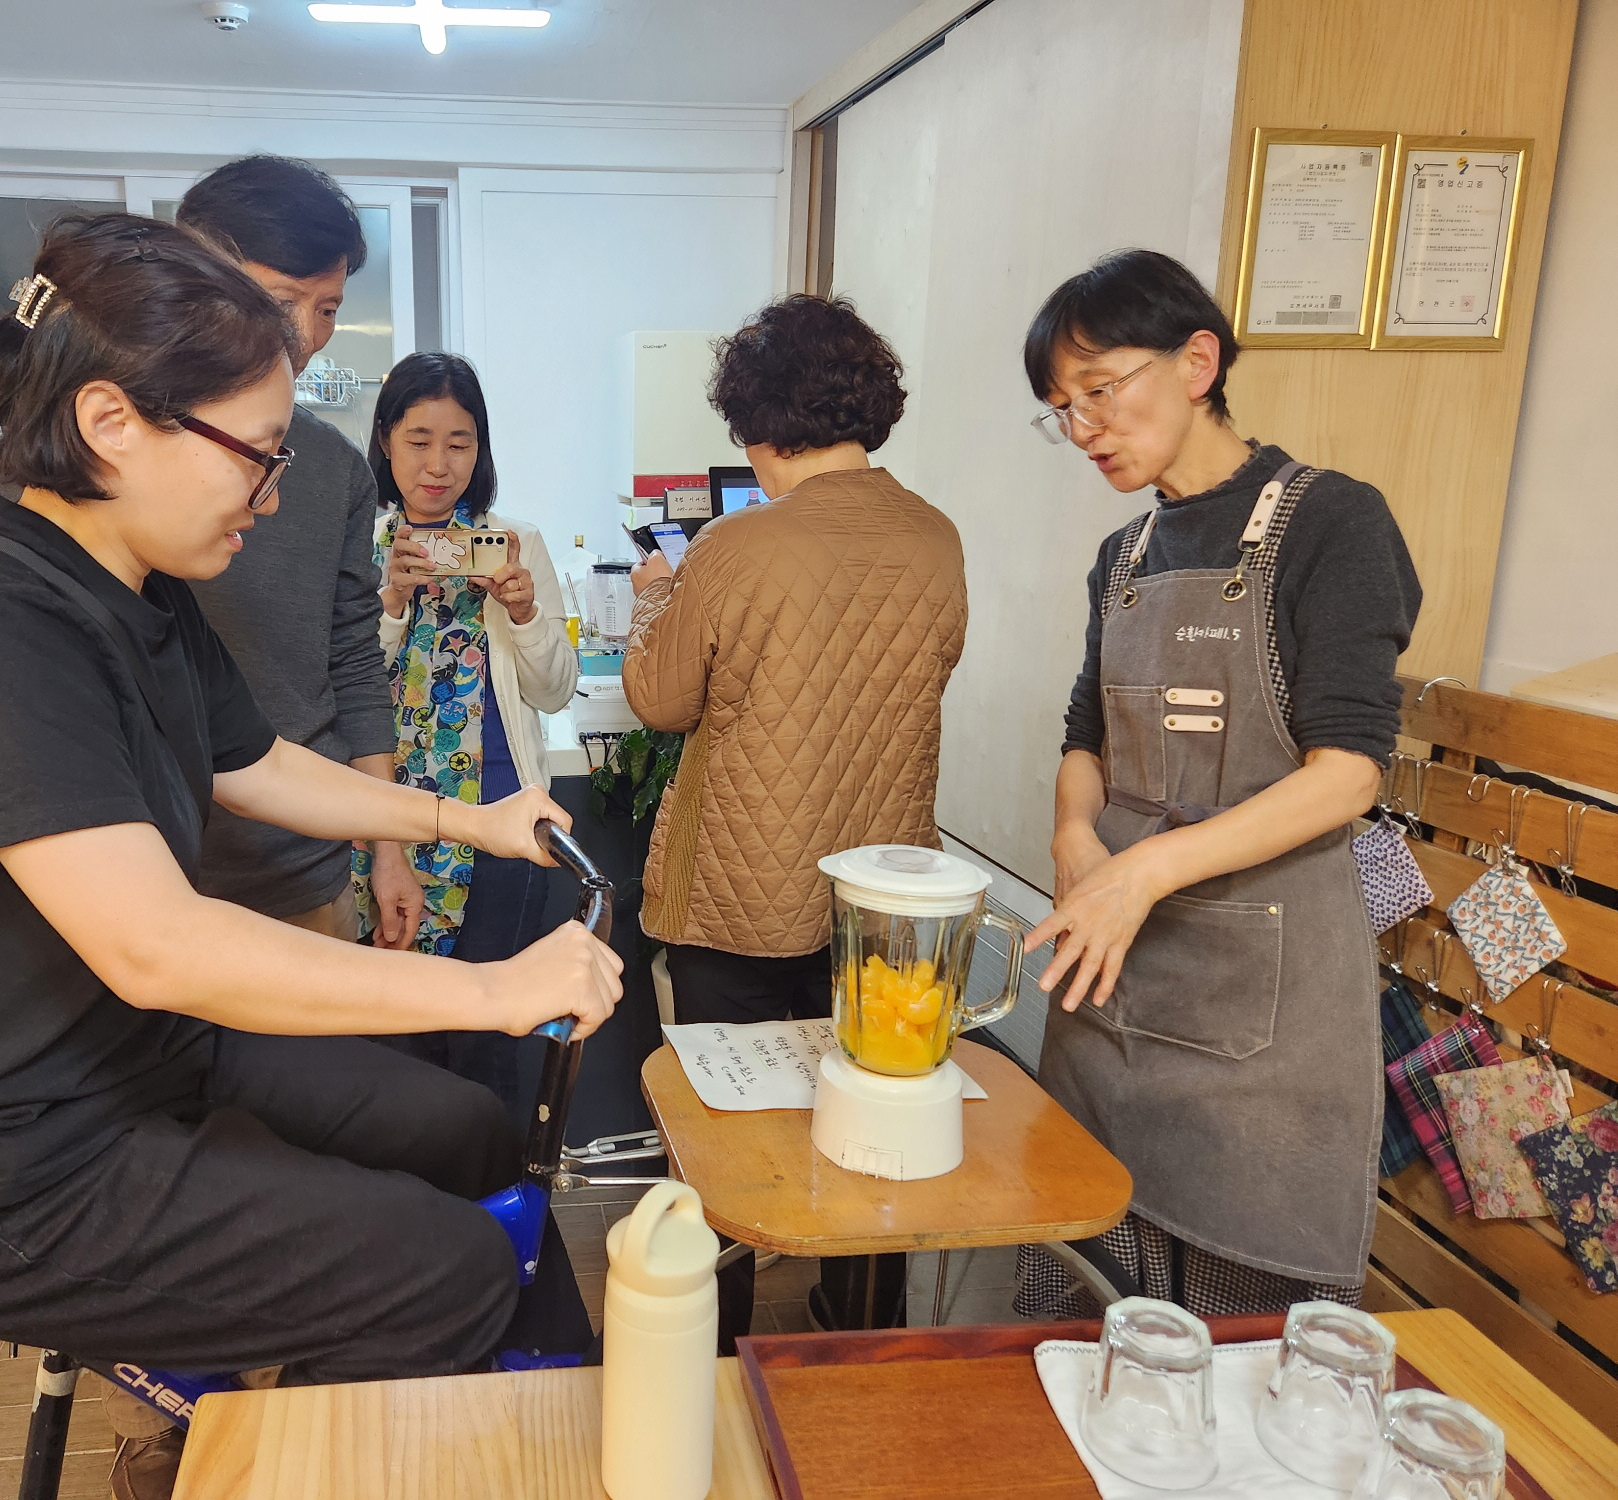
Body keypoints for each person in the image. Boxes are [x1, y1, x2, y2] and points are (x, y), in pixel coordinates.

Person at [0, 214, 617, 1500]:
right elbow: (156, 945)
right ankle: (292, 1444)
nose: (275, 491)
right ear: (115, 421)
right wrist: (492, 988)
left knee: (468, 1129)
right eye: (256, 454)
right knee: (442, 1268)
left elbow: (252, 764)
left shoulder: (138, 588)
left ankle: (402, 1417)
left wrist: (470, 821)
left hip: (130, 1069)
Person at [1013, 249, 1421, 1320]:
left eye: (1099, 390)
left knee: (1236, 1351)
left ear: (1197, 361)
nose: (1083, 427)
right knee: (1083, 1305)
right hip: (1111, 995)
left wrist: (1145, 864)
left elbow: (1345, 775)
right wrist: (1071, 831)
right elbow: (1083, 731)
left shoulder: (1333, 523)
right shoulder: (1125, 554)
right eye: (1061, 409)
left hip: (1260, 1025)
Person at [622, 293, 968, 1338]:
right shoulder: (937, 540)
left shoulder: (736, 546)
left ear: (762, 427)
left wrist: (654, 599)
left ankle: (718, 1342)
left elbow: (659, 701)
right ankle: (855, 1338)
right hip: (875, 903)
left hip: (735, 895)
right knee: (869, 1123)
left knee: (728, 1135)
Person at [176, 156, 424, 949]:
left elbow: (351, 656)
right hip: (160, 866)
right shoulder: (113, 460)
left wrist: (389, 848)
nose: (305, 337)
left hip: (302, 868)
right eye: (281, 302)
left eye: (327, 309)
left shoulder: (335, 468)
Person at [363, 352, 578, 1109]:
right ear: (386, 440)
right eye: (419, 440)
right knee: (396, 1036)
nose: (438, 464)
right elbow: (346, 684)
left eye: (459, 442)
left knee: (489, 1037)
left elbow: (556, 691)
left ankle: (496, 1213)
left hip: (500, 824)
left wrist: (522, 611)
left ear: (481, 448)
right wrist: (391, 597)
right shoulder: (359, 543)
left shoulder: (515, 541)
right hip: (382, 823)